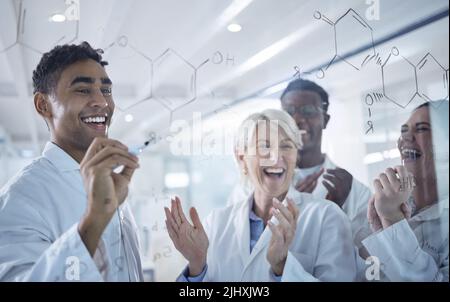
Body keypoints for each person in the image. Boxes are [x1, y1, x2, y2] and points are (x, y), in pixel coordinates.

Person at [0, 42, 142, 281]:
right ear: (43, 105)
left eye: (106, 90)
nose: (102, 102)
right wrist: (94, 221)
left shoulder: (111, 184)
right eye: (83, 90)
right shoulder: (19, 200)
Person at [165, 109, 356, 281]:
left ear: (296, 156)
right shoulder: (216, 224)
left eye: (286, 146)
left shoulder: (327, 217)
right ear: (242, 158)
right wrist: (197, 267)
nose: (275, 157)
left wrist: (283, 268)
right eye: (264, 146)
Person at [228, 79, 372, 239]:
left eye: (308, 111)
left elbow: (362, 254)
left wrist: (334, 211)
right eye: (288, 112)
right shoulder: (249, 186)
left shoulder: (353, 191)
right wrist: (288, 203)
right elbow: (241, 247)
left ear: (326, 120)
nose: (297, 120)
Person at [360, 101, 449, 281]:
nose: (405, 138)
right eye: (403, 130)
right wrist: (383, 229)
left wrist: (394, 221)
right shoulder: (387, 205)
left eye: (422, 129)